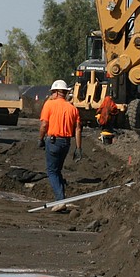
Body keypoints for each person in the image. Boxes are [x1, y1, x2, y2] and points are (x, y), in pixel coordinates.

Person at [39, 79, 82, 209]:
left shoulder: (49, 105)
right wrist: (78, 148)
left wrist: (40, 139)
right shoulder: (73, 108)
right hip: (66, 143)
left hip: (53, 141)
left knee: (52, 171)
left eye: (52, 92)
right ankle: (61, 197)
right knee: (58, 170)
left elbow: (44, 124)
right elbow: (78, 129)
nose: (52, 95)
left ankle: (60, 200)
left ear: (57, 92)